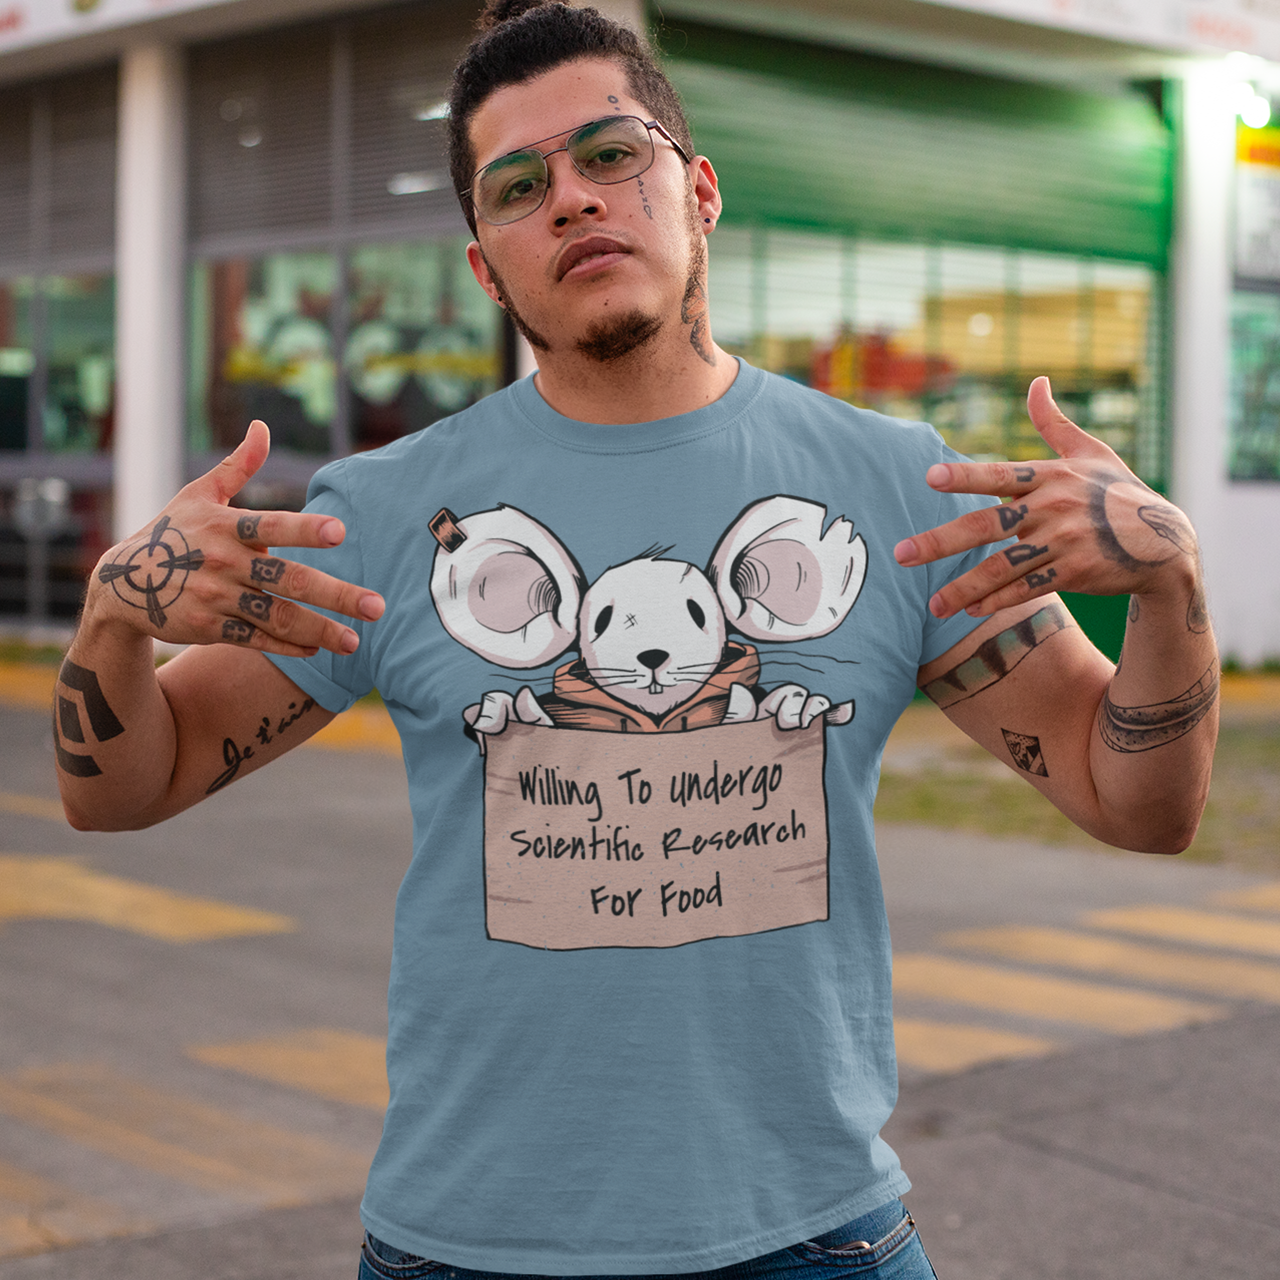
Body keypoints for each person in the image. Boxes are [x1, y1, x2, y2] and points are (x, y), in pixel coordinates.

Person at [54, 2, 1218, 1276]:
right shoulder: (388, 517)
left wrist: (1169, 592)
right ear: (484, 267)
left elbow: (1138, 802)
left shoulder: (896, 491)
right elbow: (126, 785)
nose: (570, 198)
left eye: (611, 153)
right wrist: (115, 615)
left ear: (697, 188)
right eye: (518, 183)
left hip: (811, 1237)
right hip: (467, 1243)